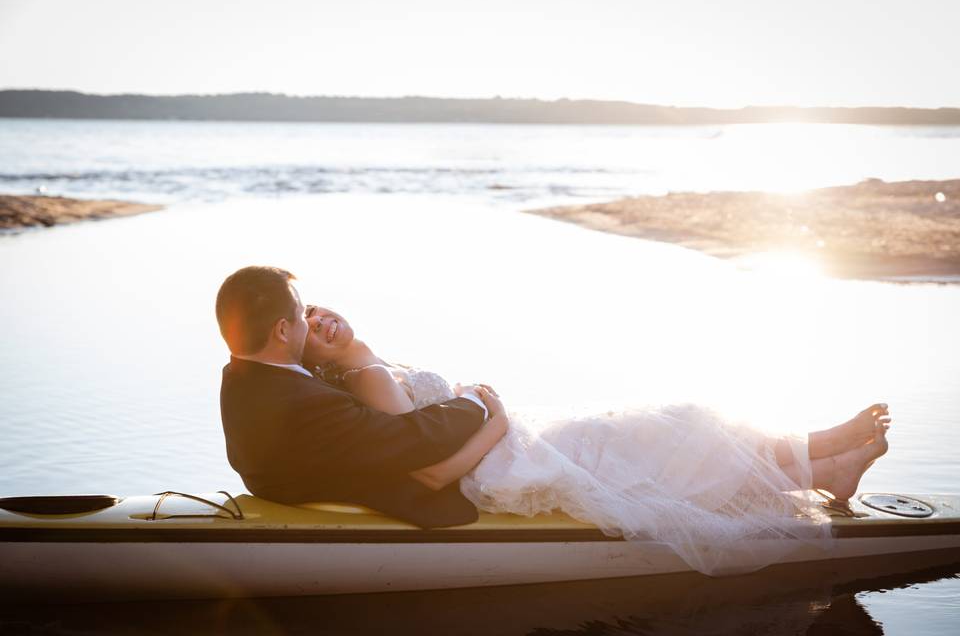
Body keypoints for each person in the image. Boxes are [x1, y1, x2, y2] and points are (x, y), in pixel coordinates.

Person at [217, 265, 892, 575]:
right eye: (305, 316)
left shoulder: (278, 380)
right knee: (669, 432)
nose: (317, 320)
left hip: (506, 444)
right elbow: (419, 459)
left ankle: (819, 464)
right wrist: (490, 414)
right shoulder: (332, 390)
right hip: (499, 459)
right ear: (283, 331)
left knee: (655, 440)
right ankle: (818, 455)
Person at [216, 266, 505, 529]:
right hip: (415, 495)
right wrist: (473, 401)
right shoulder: (306, 404)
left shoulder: (238, 376)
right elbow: (415, 438)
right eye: (301, 313)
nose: (309, 322)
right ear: (282, 330)